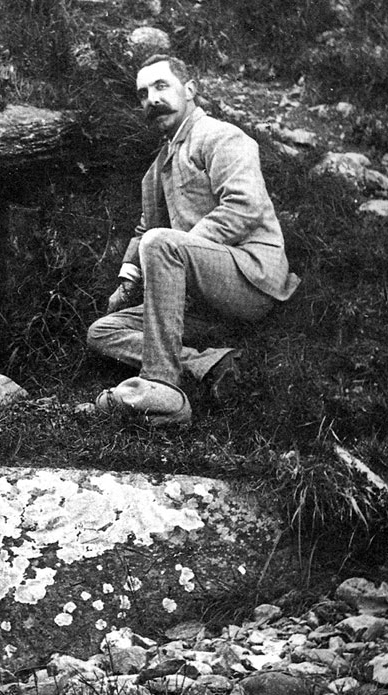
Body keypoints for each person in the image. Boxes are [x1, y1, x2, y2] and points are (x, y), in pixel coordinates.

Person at [88, 54, 299, 426]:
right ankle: (208, 362)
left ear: (190, 90)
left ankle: (163, 387)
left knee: (162, 243)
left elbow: (244, 206)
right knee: (103, 331)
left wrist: (179, 250)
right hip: (202, 299)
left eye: (161, 86)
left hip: (250, 280)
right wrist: (126, 281)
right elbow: (144, 230)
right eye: (142, 94)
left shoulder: (221, 137)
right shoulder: (157, 168)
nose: (151, 99)